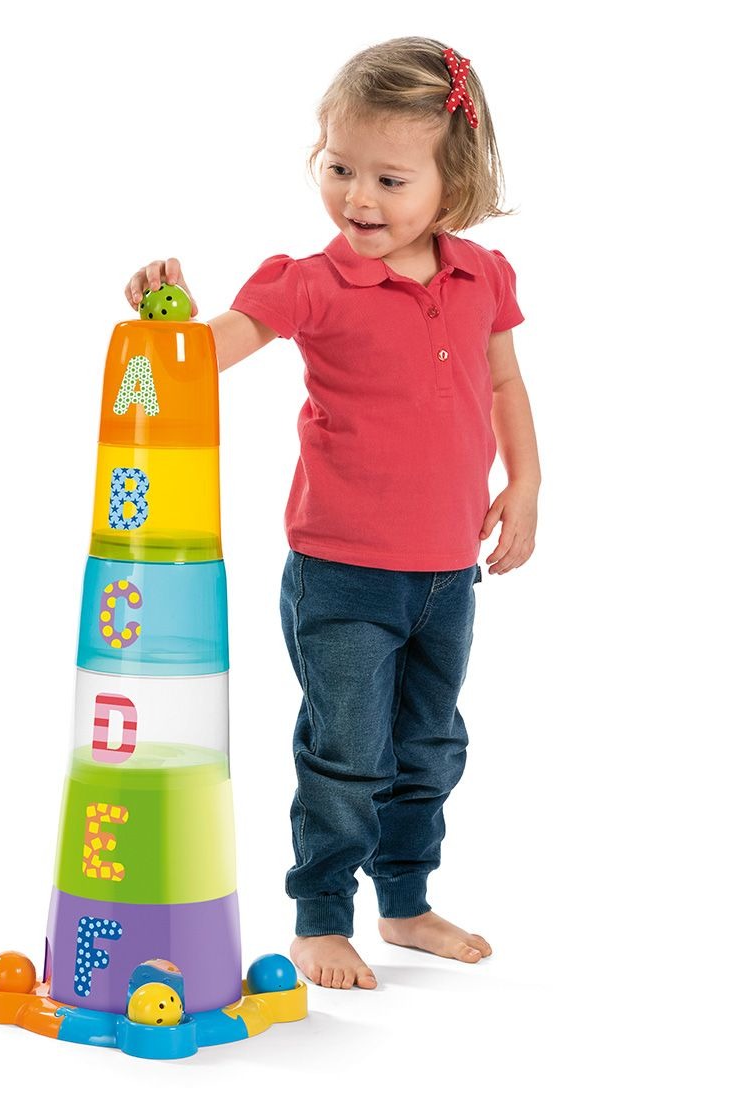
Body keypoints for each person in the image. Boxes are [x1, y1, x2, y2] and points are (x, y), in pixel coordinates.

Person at [123, 37, 540, 991]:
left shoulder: (483, 276)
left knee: (429, 747)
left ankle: (405, 901)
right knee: (346, 752)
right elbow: (223, 344)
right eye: (339, 167)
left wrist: (525, 483)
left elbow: (504, 383)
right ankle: (320, 917)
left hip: (447, 572)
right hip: (343, 572)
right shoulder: (311, 281)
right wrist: (169, 329)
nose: (359, 197)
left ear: (453, 183)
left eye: (390, 179)